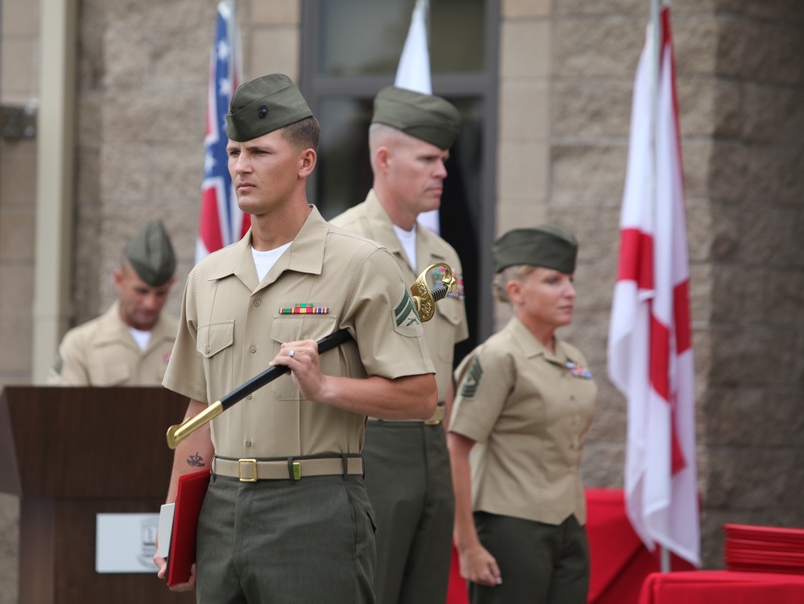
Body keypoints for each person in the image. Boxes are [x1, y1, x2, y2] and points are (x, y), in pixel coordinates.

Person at [154, 73, 438, 603]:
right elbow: (198, 412)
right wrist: (176, 524)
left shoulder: (362, 265)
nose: (241, 166)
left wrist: (326, 387)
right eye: (236, 151)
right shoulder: (207, 277)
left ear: (305, 162)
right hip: (221, 507)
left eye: (259, 152)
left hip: (316, 509)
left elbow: (420, 396)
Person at [331, 85, 468, 604]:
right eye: (429, 158)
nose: (442, 172)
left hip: (433, 448)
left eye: (445, 160)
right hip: (373, 447)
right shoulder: (341, 246)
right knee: (371, 589)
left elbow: (445, 364)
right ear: (384, 159)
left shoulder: (444, 258)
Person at [447, 224, 597, 604]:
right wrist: (467, 544)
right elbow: (455, 448)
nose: (570, 292)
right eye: (554, 281)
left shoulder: (573, 359)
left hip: (569, 525)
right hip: (510, 528)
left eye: (571, 280)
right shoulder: (498, 357)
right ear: (516, 291)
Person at [45, 219, 178, 387]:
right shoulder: (81, 344)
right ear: (119, 280)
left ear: (172, 284)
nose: (150, 303)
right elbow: (64, 408)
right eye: (141, 291)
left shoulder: (186, 342)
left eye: (161, 293)